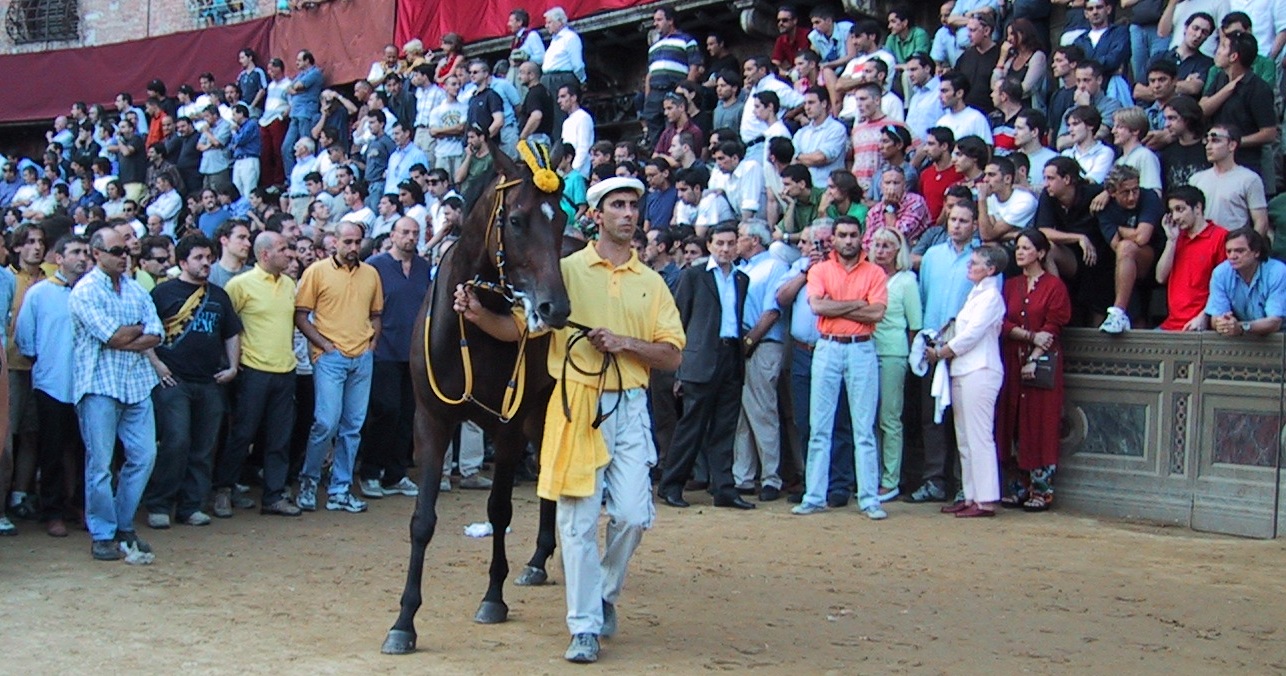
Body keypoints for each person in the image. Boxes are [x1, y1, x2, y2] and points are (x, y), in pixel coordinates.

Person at [454, 176, 684, 663]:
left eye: (633, 205)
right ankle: (583, 626)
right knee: (577, 523)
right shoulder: (567, 271)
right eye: (617, 205)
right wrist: (476, 316)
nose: (628, 213)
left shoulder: (653, 281)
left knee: (633, 516)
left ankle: (602, 593)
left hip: (630, 404)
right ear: (596, 216)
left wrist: (626, 344)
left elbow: (670, 355)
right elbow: (520, 329)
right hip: (576, 404)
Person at [70, 227, 163, 563]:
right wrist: (136, 331)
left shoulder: (136, 289)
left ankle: (122, 524)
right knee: (100, 464)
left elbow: (158, 333)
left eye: (126, 250)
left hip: (136, 384)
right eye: (116, 250)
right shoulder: (84, 291)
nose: (124, 255)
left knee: (144, 456)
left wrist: (129, 335)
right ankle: (104, 532)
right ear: (97, 254)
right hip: (99, 384)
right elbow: (112, 336)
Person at [790, 216, 888, 519]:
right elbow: (818, 306)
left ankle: (869, 498)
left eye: (853, 235)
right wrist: (858, 304)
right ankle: (814, 495)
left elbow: (878, 313)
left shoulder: (875, 271)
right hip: (829, 345)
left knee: (863, 428)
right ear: (833, 239)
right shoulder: (819, 269)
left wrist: (840, 305)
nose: (848, 240)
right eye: (842, 235)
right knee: (820, 427)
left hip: (860, 346)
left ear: (861, 238)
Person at [142, 235, 242, 527]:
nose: (206, 263)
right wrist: (157, 365)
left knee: (204, 445)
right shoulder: (163, 294)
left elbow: (231, 332)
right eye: (198, 258)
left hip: (210, 381)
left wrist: (233, 366)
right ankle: (159, 504)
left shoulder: (218, 295)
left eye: (208, 257)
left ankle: (191, 506)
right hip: (174, 381)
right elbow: (146, 332)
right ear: (183, 262)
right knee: (176, 440)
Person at [656, 223, 751, 509]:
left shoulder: (741, 279)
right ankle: (671, 485)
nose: (725, 248)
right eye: (720, 243)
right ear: (709, 245)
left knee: (725, 427)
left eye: (730, 243)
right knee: (691, 427)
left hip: (730, 356)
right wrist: (679, 367)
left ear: (737, 246)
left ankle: (723, 488)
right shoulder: (694, 276)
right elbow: (679, 319)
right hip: (699, 360)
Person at [295, 222, 383, 513]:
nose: (353, 248)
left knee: (352, 428)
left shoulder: (371, 273)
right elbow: (301, 315)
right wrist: (324, 345)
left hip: (361, 357)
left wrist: (371, 345)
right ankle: (309, 480)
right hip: (331, 357)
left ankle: (340, 489)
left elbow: (376, 314)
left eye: (357, 242)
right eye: (348, 241)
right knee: (326, 423)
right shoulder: (316, 272)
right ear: (334, 242)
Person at [216, 232, 302, 518]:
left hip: (284, 369)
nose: (289, 254)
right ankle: (224, 489)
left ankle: (273, 496)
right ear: (265, 254)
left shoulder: (289, 284)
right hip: (253, 370)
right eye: (282, 249)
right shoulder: (239, 285)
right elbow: (226, 327)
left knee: (280, 438)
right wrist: (233, 362)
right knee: (242, 434)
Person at [15, 234, 88, 538]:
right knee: (53, 450)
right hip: (52, 384)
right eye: (75, 252)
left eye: (86, 252)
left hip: (87, 385)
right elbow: (26, 338)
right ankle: (53, 511)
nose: (82, 257)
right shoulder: (40, 293)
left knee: (88, 452)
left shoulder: (93, 292)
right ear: (59, 258)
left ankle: (82, 506)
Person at [928, 241, 1007, 518]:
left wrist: (942, 352)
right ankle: (972, 494)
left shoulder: (991, 297)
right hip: (965, 368)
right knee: (965, 437)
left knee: (979, 436)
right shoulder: (977, 294)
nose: (969, 266)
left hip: (980, 369)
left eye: (975, 263)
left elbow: (972, 335)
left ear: (991, 269)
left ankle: (985, 499)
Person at [998, 229, 1072, 511]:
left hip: (1042, 363)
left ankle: (1042, 489)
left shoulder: (1054, 286)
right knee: (1014, 420)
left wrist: (1035, 354)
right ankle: (1017, 486)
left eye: (1026, 248)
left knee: (1040, 422)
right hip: (1013, 358)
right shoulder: (1011, 286)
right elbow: (1001, 321)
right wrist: (1028, 337)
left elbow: (1053, 324)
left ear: (1040, 253)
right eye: (1018, 248)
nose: (1020, 253)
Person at [357, 217, 429, 500]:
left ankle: (396, 474)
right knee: (385, 410)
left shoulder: (423, 268)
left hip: (413, 354)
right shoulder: (375, 265)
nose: (410, 237)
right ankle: (370, 472)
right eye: (405, 232)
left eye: (415, 232)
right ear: (393, 235)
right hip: (383, 350)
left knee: (407, 416)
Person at [731, 219, 789, 501]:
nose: (735, 241)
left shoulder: (774, 266)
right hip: (739, 345)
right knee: (741, 414)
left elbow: (771, 312)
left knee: (762, 410)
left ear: (754, 240)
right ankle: (743, 476)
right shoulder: (740, 268)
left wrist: (749, 342)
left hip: (761, 344)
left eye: (740, 237)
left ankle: (771, 477)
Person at [868, 226, 921, 501]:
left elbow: (915, 325)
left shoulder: (906, 280)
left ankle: (890, 479)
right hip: (866, 349)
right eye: (877, 245)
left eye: (887, 246)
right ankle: (869, 475)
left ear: (898, 251)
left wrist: (912, 357)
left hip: (892, 352)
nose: (881, 251)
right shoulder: (867, 276)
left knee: (889, 417)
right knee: (867, 417)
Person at [1156, 184, 1229, 331]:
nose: (1175, 217)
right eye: (1172, 211)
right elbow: (1160, 277)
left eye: (1180, 209)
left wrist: (1204, 316)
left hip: (1201, 325)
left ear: (1197, 208)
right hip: (1171, 324)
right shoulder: (1176, 237)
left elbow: (1225, 286)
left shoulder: (1220, 236)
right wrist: (1171, 241)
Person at [1187, 123, 1268, 235]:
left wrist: (1249, 248)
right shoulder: (1196, 179)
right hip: (1203, 245)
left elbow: (1261, 221)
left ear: (1232, 145)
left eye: (1215, 140)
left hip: (1233, 245)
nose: (1208, 146)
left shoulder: (1249, 179)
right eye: (1207, 141)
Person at [1205, 227, 1286, 336]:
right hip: (1242, 339)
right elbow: (1215, 317)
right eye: (1229, 251)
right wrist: (1223, 324)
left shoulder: (1278, 271)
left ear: (1256, 252)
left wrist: (1241, 327)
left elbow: (1275, 322)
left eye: (1239, 251)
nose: (1232, 256)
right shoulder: (1220, 273)